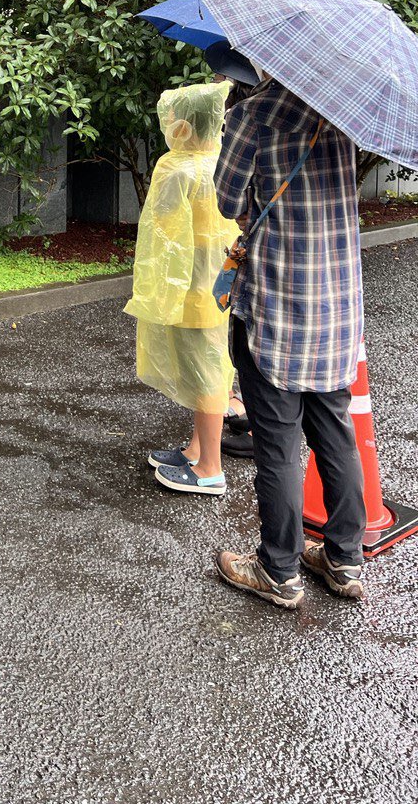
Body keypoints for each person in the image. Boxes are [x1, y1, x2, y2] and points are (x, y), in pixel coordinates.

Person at [213, 76, 367, 608]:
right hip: (338, 307)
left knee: (277, 447)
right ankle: (344, 560)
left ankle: (279, 570)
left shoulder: (253, 116)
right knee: (336, 432)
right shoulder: (342, 111)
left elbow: (227, 198)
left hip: (279, 308)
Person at [125, 83, 239, 496]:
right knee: (207, 364)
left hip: (192, 286)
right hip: (218, 281)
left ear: (186, 127)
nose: (168, 127)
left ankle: (210, 467)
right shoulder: (222, 163)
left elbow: (163, 225)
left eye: (172, 121)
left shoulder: (180, 169)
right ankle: (196, 448)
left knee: (205, 370)